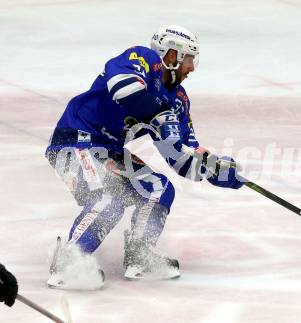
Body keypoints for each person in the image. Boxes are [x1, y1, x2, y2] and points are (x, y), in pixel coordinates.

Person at [45, 25, 243, 289]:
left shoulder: (179, 100)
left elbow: (181, 158)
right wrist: (159, 114)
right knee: (110, 197)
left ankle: (139, 255)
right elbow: (122, 88)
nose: (192, 68)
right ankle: (69, 259)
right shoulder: (142, 60)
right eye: (188, 59)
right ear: (171, 55)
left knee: (159, 189)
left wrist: (214, 168)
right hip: (76, 139)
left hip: (110, 151)